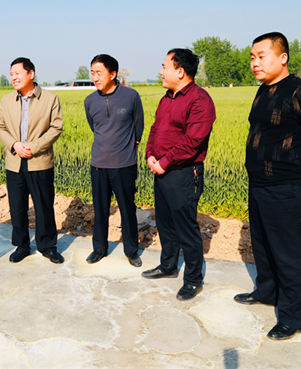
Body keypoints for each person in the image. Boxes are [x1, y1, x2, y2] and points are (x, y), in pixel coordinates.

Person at [234, 32, 301, 340]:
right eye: (252, 57)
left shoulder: (300, 91)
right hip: (258, 183)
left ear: (282, 57)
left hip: (284, 186)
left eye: (261, 56)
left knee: (289, 253)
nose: (255, 62)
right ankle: (267, 291)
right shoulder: (263, 90)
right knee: (263, 244)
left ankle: (293, 317)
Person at [142, 48, 216, 301]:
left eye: (165, 67)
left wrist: (164, 162)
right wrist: (150, 155)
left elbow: (193, 141)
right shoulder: (167, 98)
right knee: (165, 222)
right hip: (161, 169)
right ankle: (168, 266)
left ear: (180, 71)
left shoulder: (199, 100)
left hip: (184, 172)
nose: (161, 72)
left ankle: (193, 279)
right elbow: (155, 129)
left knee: (186, 227)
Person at [0, 57, 64, 264]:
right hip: (14, 162)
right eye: (11, 74)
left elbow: (56, 127)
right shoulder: (6, 100)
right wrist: (15, 145)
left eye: (17, 73)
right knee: (17, 207)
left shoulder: (50, 99)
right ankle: (22, 246)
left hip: (40, 161)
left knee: (43, 206)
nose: (13, 77)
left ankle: (47, 246)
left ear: (31, 74)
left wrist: (33, 147)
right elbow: (0, 128)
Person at [84, 54, 144, 267]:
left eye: (99, 73)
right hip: (98, 165)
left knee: (127, 209)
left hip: (124, 164)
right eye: (92, 73)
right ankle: (99, 249)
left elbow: (138, 127)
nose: (95, 77)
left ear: (113, 74)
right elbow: (95, 128)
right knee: (100, 209)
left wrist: (128, 149)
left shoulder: (131, 96)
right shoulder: (90, 101)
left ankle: (131, 251)